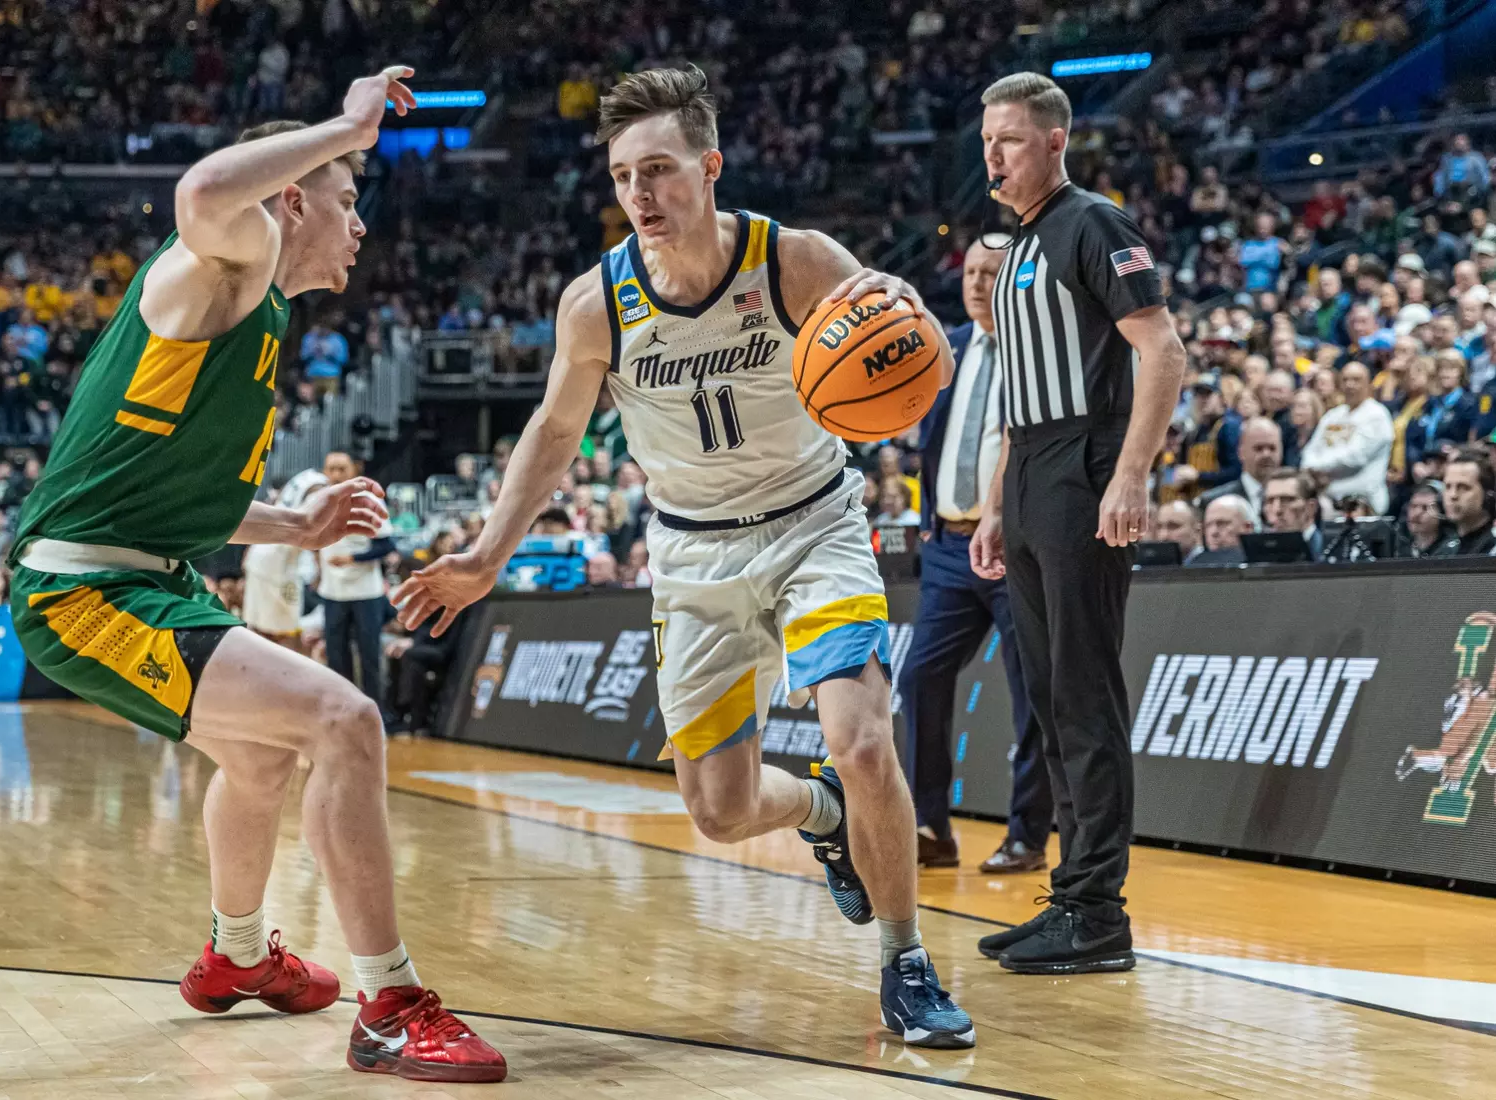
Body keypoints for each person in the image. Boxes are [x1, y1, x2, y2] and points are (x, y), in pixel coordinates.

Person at [393, 65, 975, 1048]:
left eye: (659, 170)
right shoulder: (598, 304)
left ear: (710, 166)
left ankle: (906, 960)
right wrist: (489, 550)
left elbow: (924, 360)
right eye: (624, 176)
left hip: (811, 526)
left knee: (866, 736)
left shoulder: (793, 260)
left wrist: (911, 327)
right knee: (720, 807)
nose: (641, 195)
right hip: (692, 556)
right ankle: (821, 811)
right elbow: (551, 430)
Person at [4, 68, 506, 1083]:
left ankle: (236, 956)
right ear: (290, 200)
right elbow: (198, 195)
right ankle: (392, 1003)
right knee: (345, 719)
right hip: (83, 588)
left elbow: (171, 491)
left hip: (147, 572)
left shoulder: (259, 314)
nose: (359, 221)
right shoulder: (229, 260)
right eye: (348, 194)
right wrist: (346, 124)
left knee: (262, 758)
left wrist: (296, 523)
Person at [971, 73, 1185, 975]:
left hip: (1085, 467)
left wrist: (1129, 477)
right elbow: (1017, 398)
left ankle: (1099, 912)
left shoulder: (1094, 222)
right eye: (987, 141)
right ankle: (1070, 895)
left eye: (1010, 140)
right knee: (1052, 699)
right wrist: (994, 504)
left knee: (1086, 698)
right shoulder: (1017, 243)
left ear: (1056, 141)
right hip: (1029, 474)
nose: (994, 155)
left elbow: (1164, 352)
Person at [900, 236, 1048, 876]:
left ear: (1014, 279)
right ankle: (931, 824)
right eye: (971, 271)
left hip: (1017, 548)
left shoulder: (1037, 348)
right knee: (918, 677)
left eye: (993, 272)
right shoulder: (949, 347)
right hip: (950, 547)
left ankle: (1027, 835)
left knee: (1031, 693)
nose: (977, 282)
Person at [317, 451, 396, 722]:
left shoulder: (369, 500)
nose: (336, 474)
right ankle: (342, 711)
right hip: (332, 591)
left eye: (342, 468)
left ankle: (376, 714)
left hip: (366, 592)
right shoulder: (319, 501)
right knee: (336, 655)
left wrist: (352, 558)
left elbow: (386, 545)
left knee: (369, 654)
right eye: (331, 469)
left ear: (354, 469)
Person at [242, 468, 329, 652]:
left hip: (260, 555)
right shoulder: (320, 487)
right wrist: (320, 570)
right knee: (287, 629)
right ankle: (292, 676)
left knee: (259, 626)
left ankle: (261, 674)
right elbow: (315, 529)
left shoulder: (303, 477)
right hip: (277, 564)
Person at [1302, 362, 1393, 515]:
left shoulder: (1376, 415)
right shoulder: (1333, 415)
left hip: (1363, 505)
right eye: (1345, 380)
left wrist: (1318, 469)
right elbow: (1310, 450)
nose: (1350, 385)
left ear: (1368, 384)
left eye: (1356, 380)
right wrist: (1309, 468)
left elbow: (1355, 457)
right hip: (1327, 503)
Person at [1197, 417, 1281, 517]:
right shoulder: (1212, 502)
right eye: (1258, 448)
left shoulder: (1295, 501)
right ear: (1241, 452)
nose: (1266, 454)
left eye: (1272, 448)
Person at [1436, 450, 1496, 555]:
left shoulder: (1493, 547)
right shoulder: (1444, 550)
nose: (1453, 495)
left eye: (1464, 487)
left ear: (1488, 495)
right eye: (1448, 486)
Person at [1261, 467, 1325, 560]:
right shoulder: (1259, 555)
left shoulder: (1331, 551)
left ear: (1311, 507)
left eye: (1287, 500)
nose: (1277, 510)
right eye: (1270, 501)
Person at [1188, 496, 1253, 566]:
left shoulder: (1261, 562)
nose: (1213, 532)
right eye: (1208, 525)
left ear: (1247, 527)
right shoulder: (1195, 564)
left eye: (1222, 523)